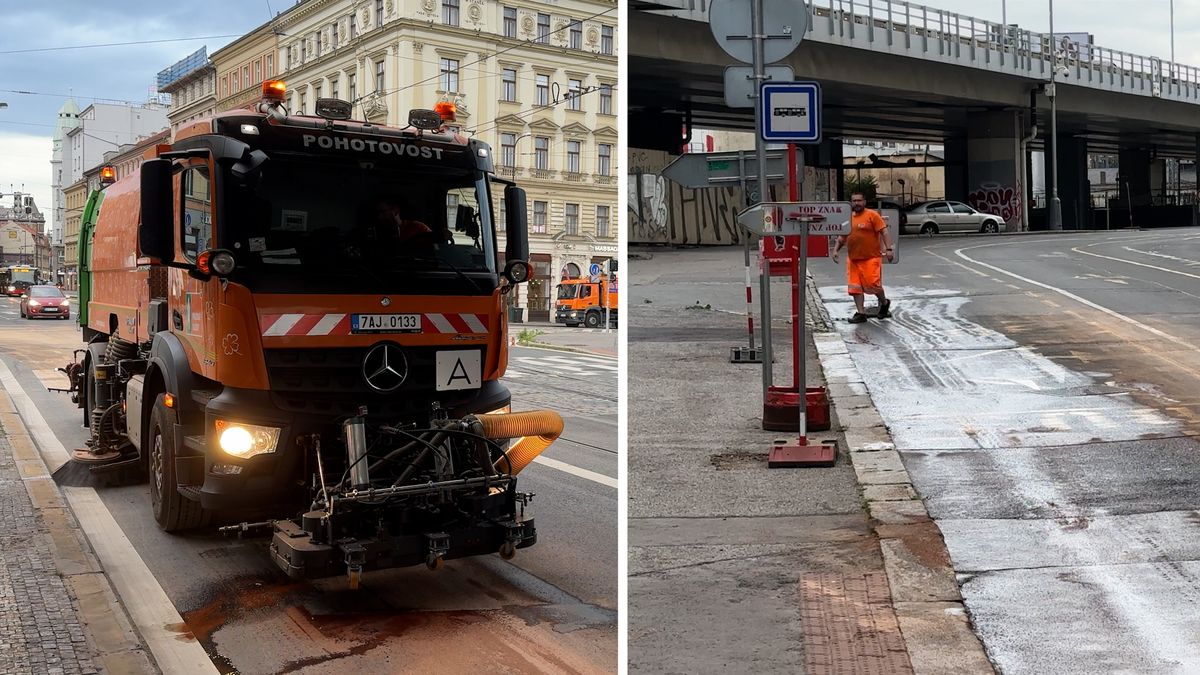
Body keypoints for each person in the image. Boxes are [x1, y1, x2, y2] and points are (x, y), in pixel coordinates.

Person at [831, 192, 894, 323]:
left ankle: (884, 302)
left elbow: (884, 231)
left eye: (859, 200)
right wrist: (835, 250)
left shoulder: (872, 215)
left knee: (873, 285)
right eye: (854, 201)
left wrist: (889, 249)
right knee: (855, 288)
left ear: (864, 202)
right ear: (851, 202)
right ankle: (861, 313)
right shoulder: (848, 218)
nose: (856, 203)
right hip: (853, 259)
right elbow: (842, 237)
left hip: (871, 258)